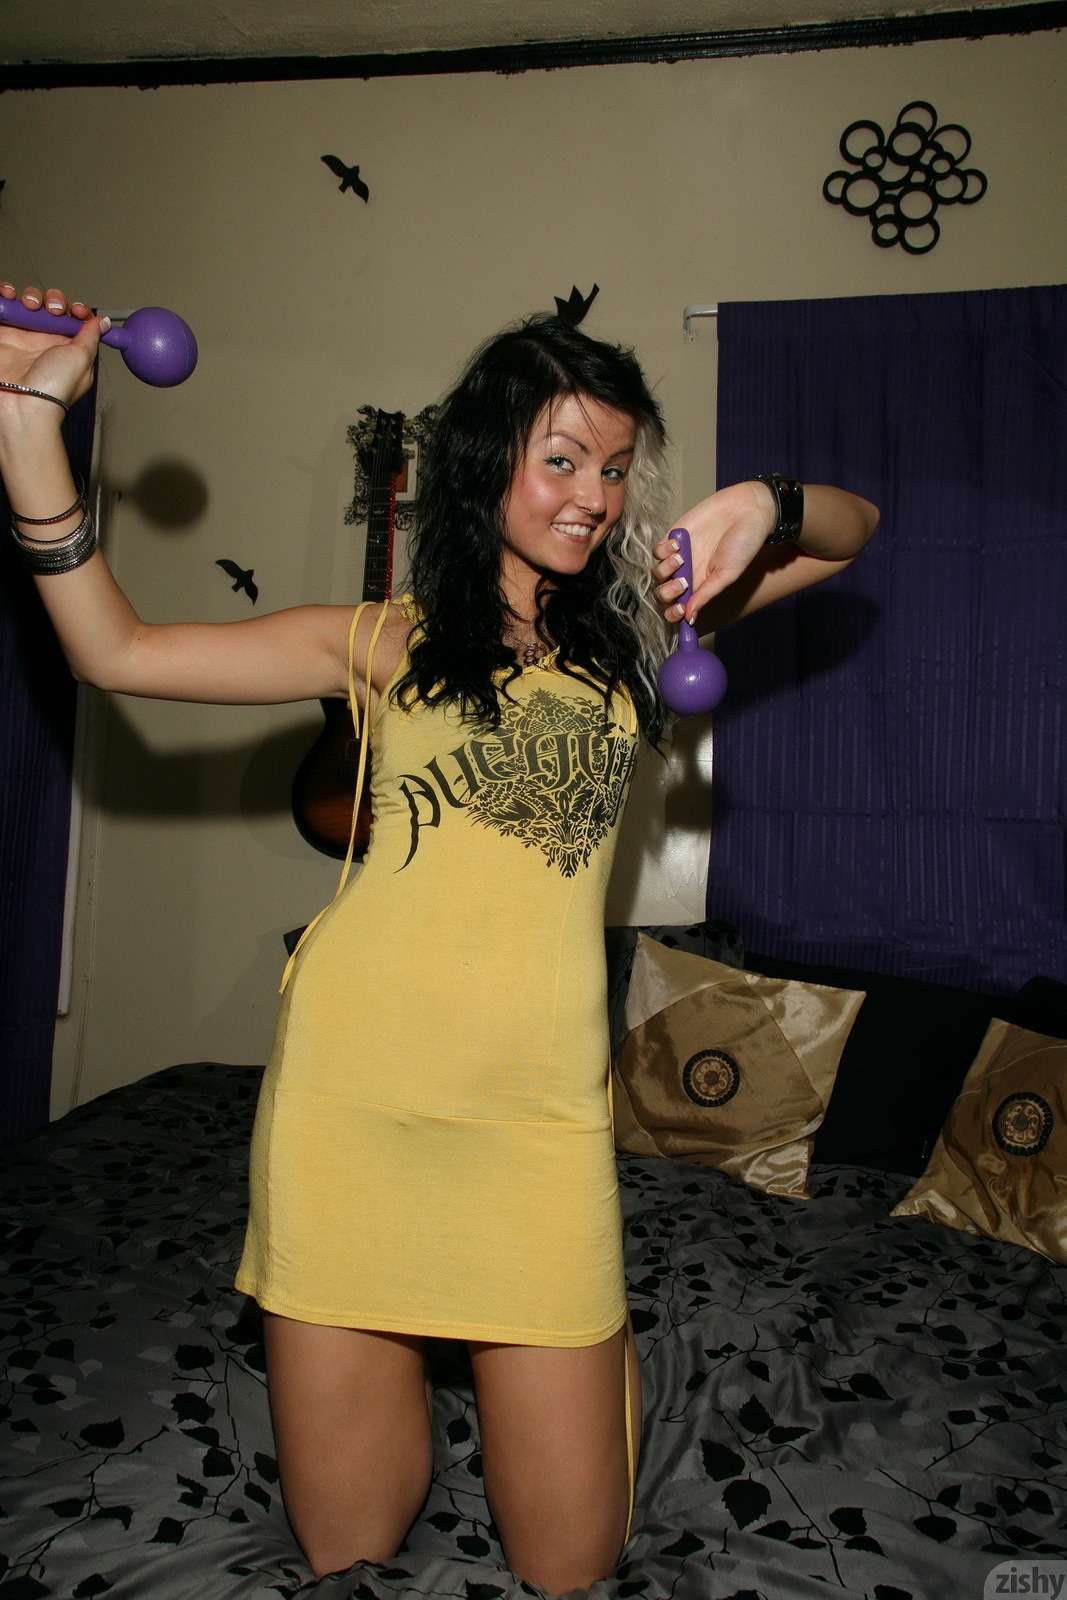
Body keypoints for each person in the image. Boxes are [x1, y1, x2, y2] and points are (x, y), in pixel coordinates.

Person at [0, 281, 879, 1593]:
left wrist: (766, 500)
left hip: (536, 1130)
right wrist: (29, 431)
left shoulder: (642, 634)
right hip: (353, 1110)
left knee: (571, 1564)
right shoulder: (378, 642)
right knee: (349, 1549)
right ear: (486, 465)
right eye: (562, 459)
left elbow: (854, 538)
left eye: (616, 468)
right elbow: (112, 651)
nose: (593, 496)